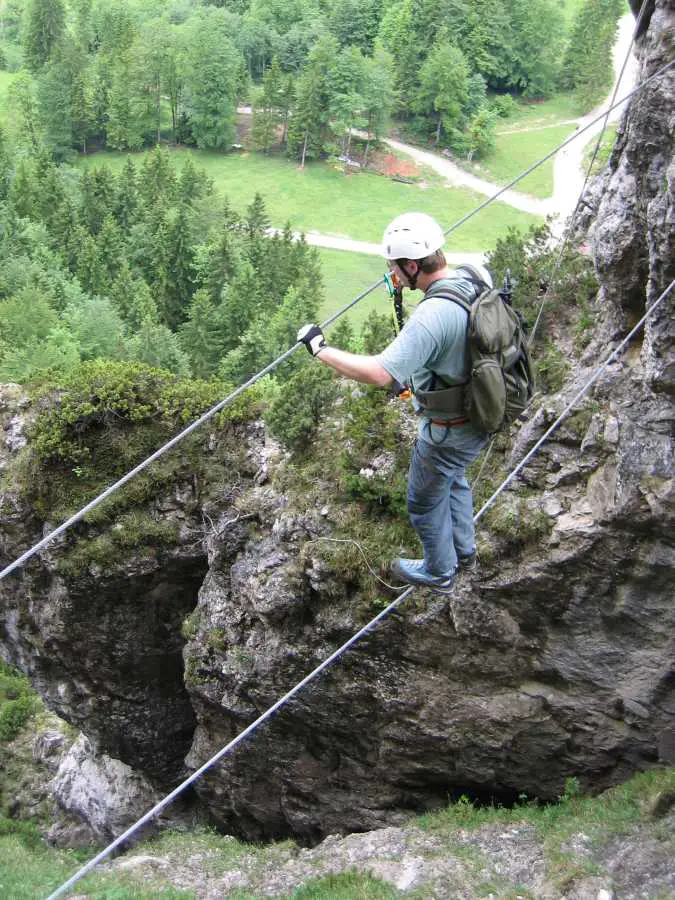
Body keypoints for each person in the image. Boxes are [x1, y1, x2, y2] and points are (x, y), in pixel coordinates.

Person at [297, 212, 489, 594]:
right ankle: (464, 553)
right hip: (480, 414)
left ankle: (440, 570)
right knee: (454, 480)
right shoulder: (473, 278)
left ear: (414, 265)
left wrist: (320, 349)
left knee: (422, 502)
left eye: (397, 269)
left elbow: (380, 373)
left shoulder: (432, 316)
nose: (395, 276)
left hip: (447, 430)